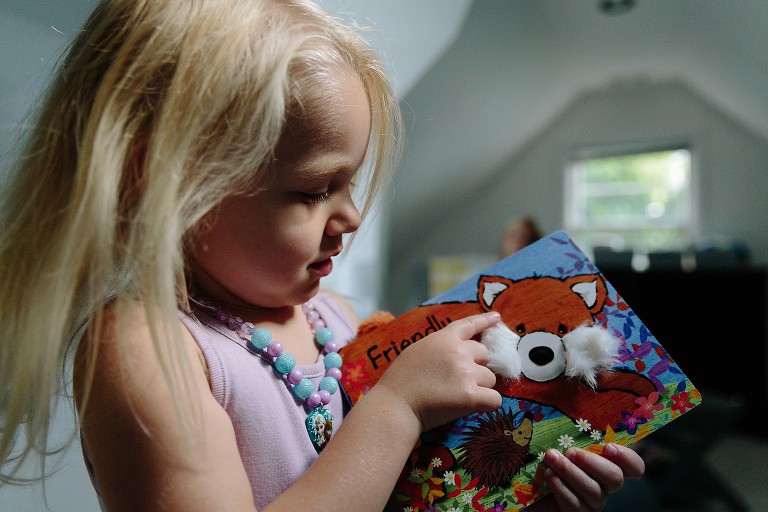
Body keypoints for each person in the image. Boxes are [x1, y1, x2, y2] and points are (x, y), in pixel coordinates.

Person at [0, 1, 645, 511]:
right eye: (313, 191)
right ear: (162, 183)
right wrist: (397, 407)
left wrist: (528, 488)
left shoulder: (332, 318)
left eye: (350, 183)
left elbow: (402, 491)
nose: (351, 217)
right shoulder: (146, 346)